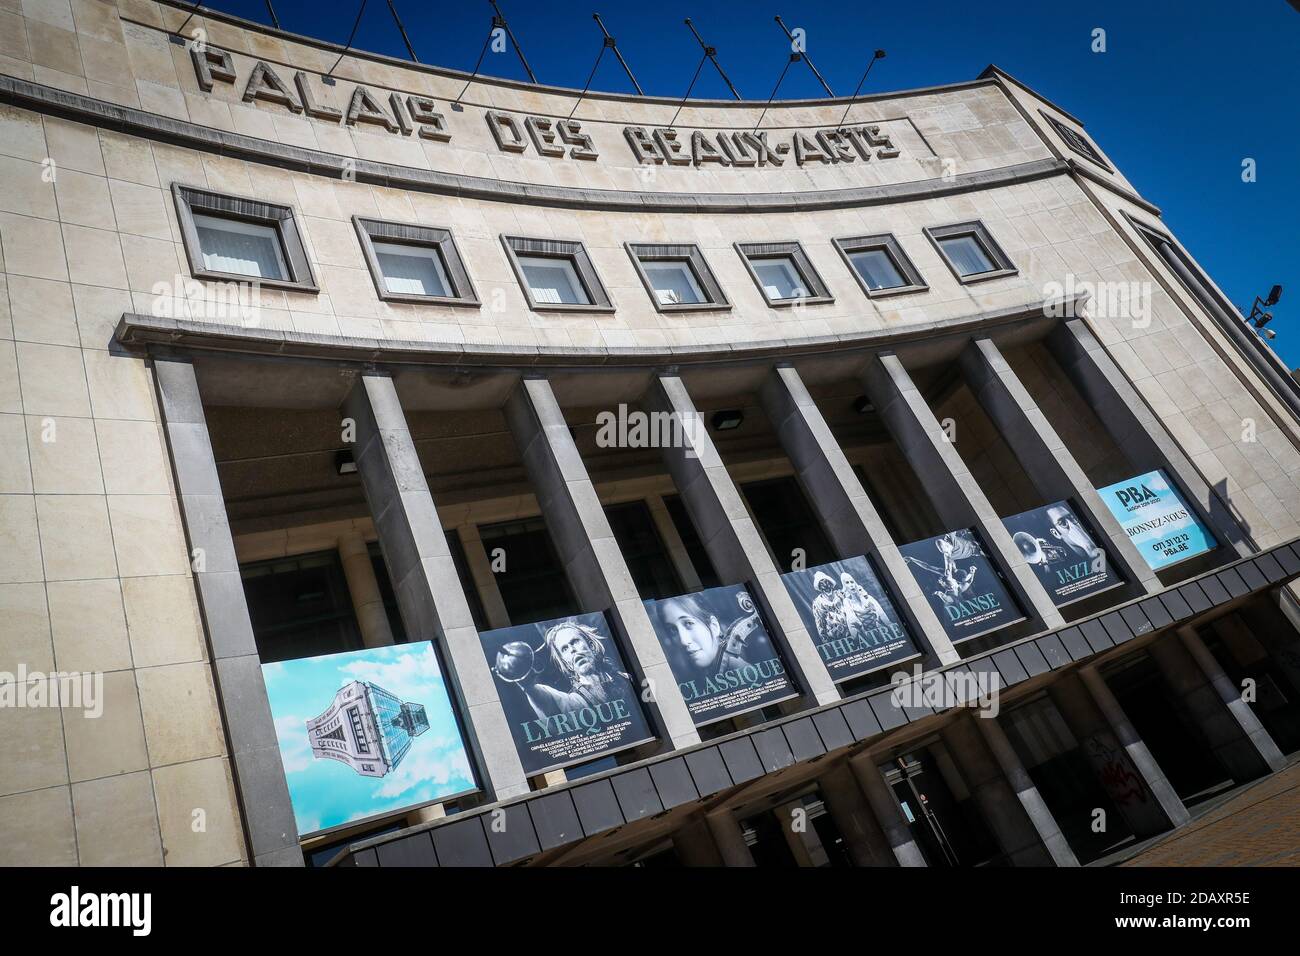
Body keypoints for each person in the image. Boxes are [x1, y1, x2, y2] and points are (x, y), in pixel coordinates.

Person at [493, 619, 634, 721]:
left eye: (575, 642)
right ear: (565, 662)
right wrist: (526, 684)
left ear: (590, 645)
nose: (572, 650)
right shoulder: (576, 701)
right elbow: (546, 700)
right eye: (564, 649)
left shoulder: (627, 678)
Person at [656, 592, 767, 677]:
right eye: (673, 630)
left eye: (689, 623)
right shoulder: (703, 676)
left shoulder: (744, 673)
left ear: (714, 626)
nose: (683, 641)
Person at [810, 570, 851, 643]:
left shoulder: (840, 594)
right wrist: (825, 640)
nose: (826, 587)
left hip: (851, 632)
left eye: (828, 584)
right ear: (820, 588)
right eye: (822, 585)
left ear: (831, 585)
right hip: (835, 639)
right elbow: (819, 623)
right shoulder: (817, 603)